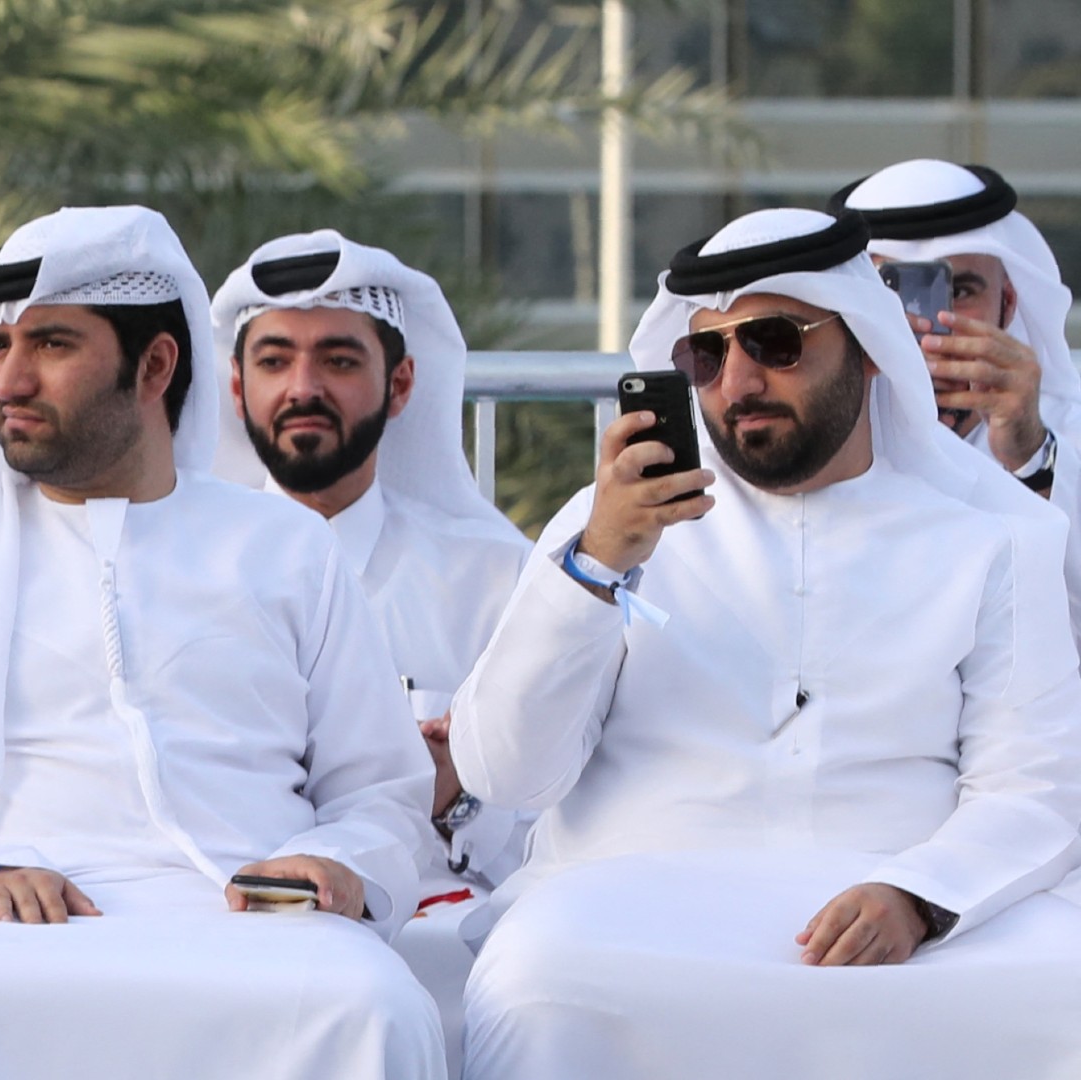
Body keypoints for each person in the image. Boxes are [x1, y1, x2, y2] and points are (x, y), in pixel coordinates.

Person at [450, 207, 1081, 1079]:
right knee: (538, 984)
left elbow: (1036, 785)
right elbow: (505, 774)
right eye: (706, 356)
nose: (737, 381)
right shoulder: (609, 529)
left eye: (774, 342)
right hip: (638, 907)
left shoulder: (992, 539)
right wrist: (597, 570)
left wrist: (920, 896)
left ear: (864, 346)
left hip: (904, 909)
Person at [0, 205, 444, 1080]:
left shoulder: (283, 547)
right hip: (6, 926)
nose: (7, 380)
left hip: (257, 914)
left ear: (156, 364)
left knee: (372, 1004)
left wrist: (337, 864)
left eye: (50, 344)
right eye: (0, 344)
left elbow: (382, 792)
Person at [210, 232, 531, 1070]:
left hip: (439, 935)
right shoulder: (175, 578)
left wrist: (463, 796)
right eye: (275, 360)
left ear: (401, 385)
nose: (304, 388)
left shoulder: (495, 578)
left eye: (340, 360)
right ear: (236, 386)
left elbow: (556, 818)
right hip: (224, 921)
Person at [831, 159, 1081, 643]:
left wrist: (1032, 454)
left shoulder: (1065, 428)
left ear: (1007, 304)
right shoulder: (819, 430)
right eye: (891, 292)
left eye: (961, 290)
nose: (930, 318)